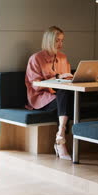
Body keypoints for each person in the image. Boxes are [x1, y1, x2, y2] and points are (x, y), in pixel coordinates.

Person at [25, 26, 73, 160]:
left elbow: (67, 78)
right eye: (57, 41)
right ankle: (61, 142)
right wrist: (57, 78)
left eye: (62, 41)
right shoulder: (35, 58)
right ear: (49, 41)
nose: (60, 44)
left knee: (66, 95)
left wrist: (68, 78)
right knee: (66, 100)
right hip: (41, 97)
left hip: (60, 94)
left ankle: (60, 134)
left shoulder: (63, 57)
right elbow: (35, 85)